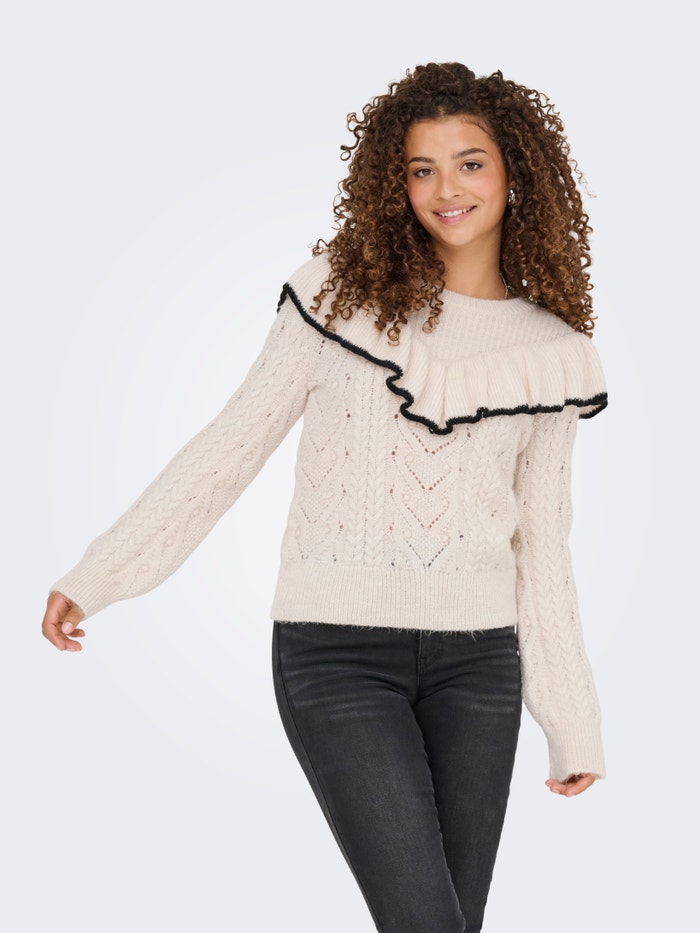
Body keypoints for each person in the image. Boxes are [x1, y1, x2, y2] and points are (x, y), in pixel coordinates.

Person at [42, 62, 608, 933]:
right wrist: (103, 572)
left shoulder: (553, 353)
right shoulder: (338, 294)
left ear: (515, 172)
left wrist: (571, 719)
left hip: (480, 669)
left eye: (470, 163)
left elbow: (543, 545)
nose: (446, 190)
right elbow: (233, 445)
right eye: (421, 169)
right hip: (336, 653)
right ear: (394, 182)